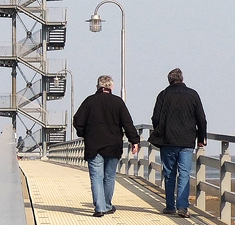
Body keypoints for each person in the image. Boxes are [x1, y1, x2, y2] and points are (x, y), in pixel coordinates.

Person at [73, 75, 140, 217]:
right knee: (109, 177)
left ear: (98, 86)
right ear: (111, 87)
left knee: (96, 177)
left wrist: (84, 133)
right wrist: (134, 140)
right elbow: (127, 123)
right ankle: (108, 205)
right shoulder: (118, 102)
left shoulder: (89, 101)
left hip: (94, 144)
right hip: (113, 145)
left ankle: (99, 208)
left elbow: (77, 120)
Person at [150, 67, 208, 217]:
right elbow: (201, 118)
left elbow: (155, 118)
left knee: (169, 174)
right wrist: (201, 138)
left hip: (167, 140)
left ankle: (170, 206)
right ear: (182, 79)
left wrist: (159, 130)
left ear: (169, 80)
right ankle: (182, 207)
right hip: (187, 140)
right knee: (184, 173)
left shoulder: (163, 95)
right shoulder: (192, 94)